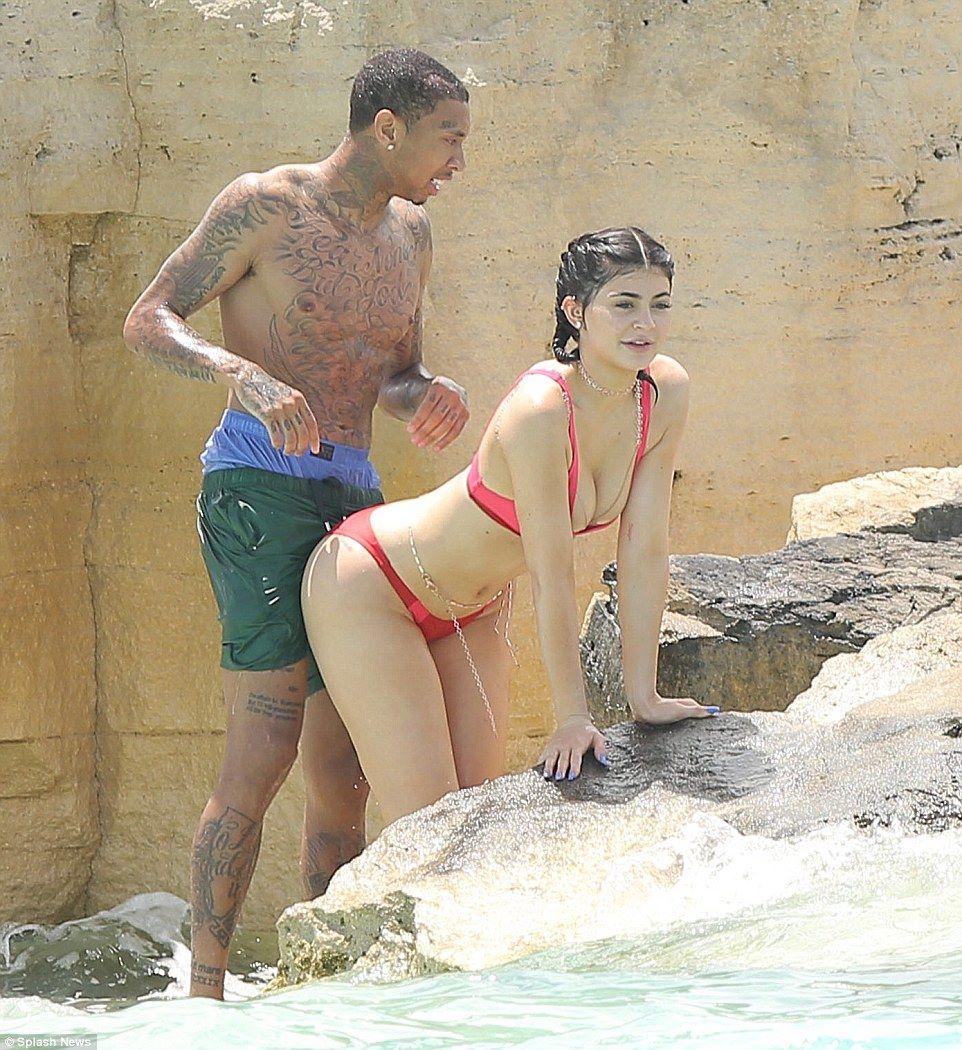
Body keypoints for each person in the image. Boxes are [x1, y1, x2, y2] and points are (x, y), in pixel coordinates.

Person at [122, 48, 472, 999]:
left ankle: (325, 995)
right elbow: (149, 318)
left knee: (344, 763)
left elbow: (392, 372)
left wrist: (426, 396)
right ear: (388, 128)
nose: (458, 162)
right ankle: (204, 999)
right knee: (264, 746)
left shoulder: (412, 235)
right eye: (448, 139)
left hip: (353, 492)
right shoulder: (266, 205)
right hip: (258, 484)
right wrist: (240, 373)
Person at [301, 226, 720, 829]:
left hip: (475, 609)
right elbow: (553, 576)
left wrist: (644, 696)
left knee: (478, 825)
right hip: (374, 583)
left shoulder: (663, 392)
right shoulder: (541, 409)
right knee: (430, 830)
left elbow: (645, 547)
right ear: (576, 311)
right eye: (624, 304)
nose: (645, 324)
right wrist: (572, 717)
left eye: (660, 305)